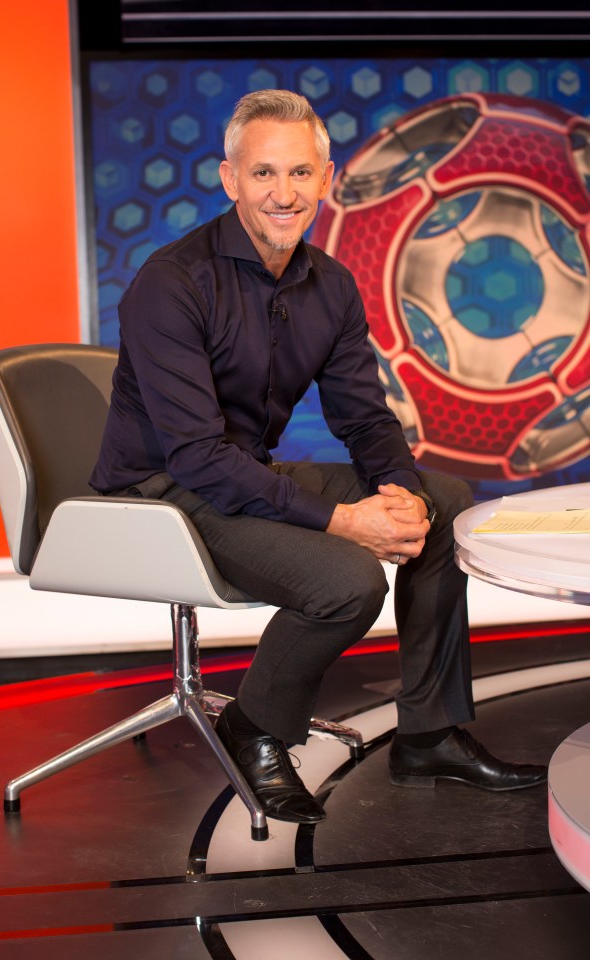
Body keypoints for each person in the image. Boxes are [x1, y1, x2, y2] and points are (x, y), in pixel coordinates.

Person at [90, 89, 546, 824]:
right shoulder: (170, 284)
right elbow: (199, 456)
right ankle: (254, 727)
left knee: (446, 501)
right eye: (263, 173)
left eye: (300, 174)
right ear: (229, 178)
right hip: (163, 490)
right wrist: (341, 521)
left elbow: (363, 418)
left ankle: (428, 734)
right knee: (347, 578)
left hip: (242, 473)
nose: (283, 192)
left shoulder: (329, 285)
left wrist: (398, 492)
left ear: (327, 178)